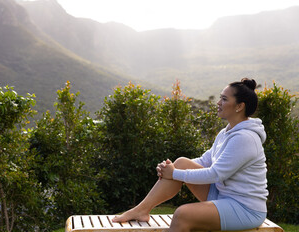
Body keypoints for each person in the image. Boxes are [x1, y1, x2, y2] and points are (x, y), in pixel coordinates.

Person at [112, 78, 268, 232]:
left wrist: (174, 173)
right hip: (222, 195)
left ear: (239, 106)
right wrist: (171, 168)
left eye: (224, 99)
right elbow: (205, 160)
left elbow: (215, 174)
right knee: (180, 162)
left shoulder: (245, 138)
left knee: (182, 214)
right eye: (220, 97)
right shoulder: (226, 132)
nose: (218, 102)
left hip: (245, 208)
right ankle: (141, 210)